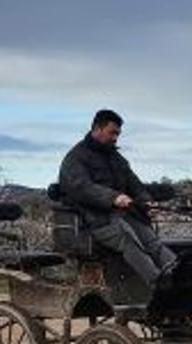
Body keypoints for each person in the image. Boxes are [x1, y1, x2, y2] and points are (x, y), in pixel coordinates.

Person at [58, 109, 176, 290]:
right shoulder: (75, 158)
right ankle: (157, 283)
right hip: (96, 221)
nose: (116, 138)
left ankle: (177, 273)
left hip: (126, 215)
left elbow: (134, 184)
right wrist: (114, 197)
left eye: (118, 134)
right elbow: (82, 187)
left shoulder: (116, 158)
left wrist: (146, 203)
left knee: (151, 239)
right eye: (112, 133)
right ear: (97, 129)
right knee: (127, 238)